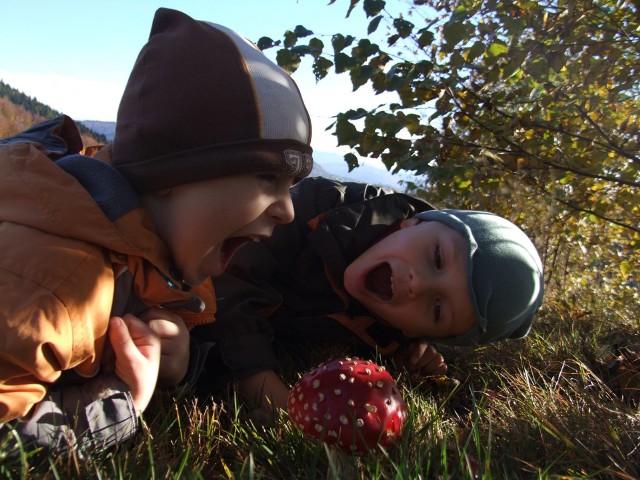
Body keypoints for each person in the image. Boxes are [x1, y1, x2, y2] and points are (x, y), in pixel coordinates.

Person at [0, 8, 313, 457]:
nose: (287, 211)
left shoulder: (153, 252)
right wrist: (120, 402)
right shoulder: (61, 283)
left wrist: (177, 365)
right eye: (268, 180)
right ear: (172, 176)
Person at [192, 176, 544, 413]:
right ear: (414, 222)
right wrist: (259, 381)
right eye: (436, 258)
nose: (417, 284)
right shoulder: (320, 207)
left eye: (437, 310)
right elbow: (231, 274)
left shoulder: (392, 331)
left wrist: (408, 350)